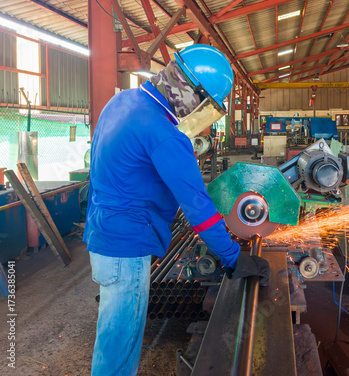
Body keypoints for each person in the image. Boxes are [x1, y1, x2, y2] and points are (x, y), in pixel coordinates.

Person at [83, 44, 270, 376]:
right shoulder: (165, 134)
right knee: (120, 347)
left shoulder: (122, 103)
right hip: (127, 250)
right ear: (191, 94)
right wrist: (232, 256)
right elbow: (198, 207)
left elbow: (105, 175)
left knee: (112, 337)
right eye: (206, 106)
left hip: (103, 237)